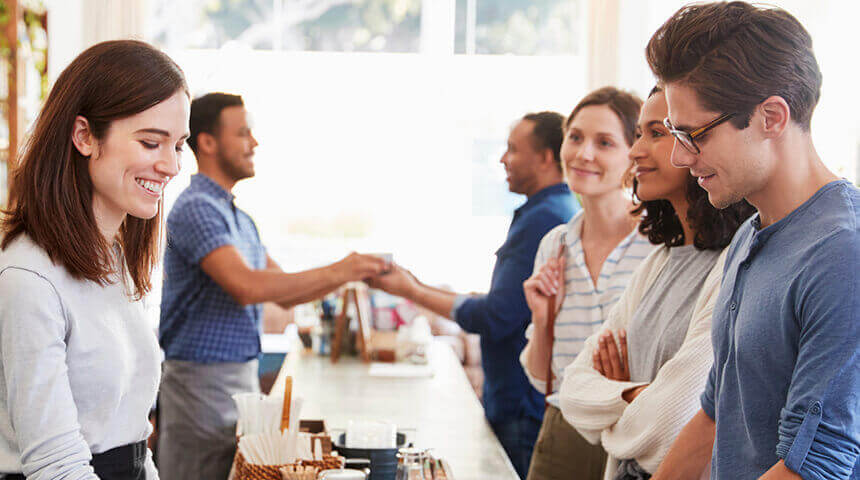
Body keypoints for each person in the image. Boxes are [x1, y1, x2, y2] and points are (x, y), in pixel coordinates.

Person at [644, 3, 860, 479]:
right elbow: (715, 411)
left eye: (693, 134)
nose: (681, 157)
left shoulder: (843, 254)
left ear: (772, 117)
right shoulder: (748, 235)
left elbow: (817, 466)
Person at [156, 93, 389, 480]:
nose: (255, 143)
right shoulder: (197, 207)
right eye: (244, 133)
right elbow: (247, 286)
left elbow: (283, 289)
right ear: (208, 143)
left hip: (238, 378)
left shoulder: (241, 220)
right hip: (200, 384)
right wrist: (342, 268)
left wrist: (352, 272)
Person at [0, 40, 188, 480]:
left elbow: (133, 439)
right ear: (84, 136)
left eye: (178, 145)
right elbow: (57, 467)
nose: (171, 166)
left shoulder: (116, 257)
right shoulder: (29, 278)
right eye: (150, 142)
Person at [554, 86, 754, 480]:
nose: (635, 151)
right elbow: (573, 390)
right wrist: (633, 394)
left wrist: (613, 405)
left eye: (657, 133)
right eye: (640, 133)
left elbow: (674, 421)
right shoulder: (659, 262)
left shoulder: (736, 263)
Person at [368, 112, 579, 478]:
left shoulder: (545, 219)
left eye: (513, 150)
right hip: (516, 399)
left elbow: (496, 316)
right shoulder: (548, 212)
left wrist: (412, 291)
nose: (502, 160)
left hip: (520, 404)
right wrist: (414, 285)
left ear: (547, 157)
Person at [518, 87, 654, 480]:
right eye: (575, 137)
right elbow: (543, 378)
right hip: (565, 431)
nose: (583, 154)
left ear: (635, 154)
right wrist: (543, 319)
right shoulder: (555, 244)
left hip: (636, 430)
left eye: (605, 142)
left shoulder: (660, 242)